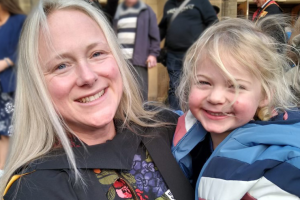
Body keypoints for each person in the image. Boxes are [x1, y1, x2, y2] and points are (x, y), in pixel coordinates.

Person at [0, 0, 194, 199]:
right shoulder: (34, 189)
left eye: (97, 53)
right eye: (61, 66)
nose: (88, 76)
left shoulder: (165, 127)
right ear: (36, 86)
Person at [173, 17, 300, 199]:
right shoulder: (185, 133)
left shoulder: (281, 162)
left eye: (235, 86)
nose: (216, 98)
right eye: (204, 82)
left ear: (265, 95)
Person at [159, 0, 218, 110]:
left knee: (196, 86)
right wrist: (149, 46)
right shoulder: (169, 4)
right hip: (173, 54)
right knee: (174, 88)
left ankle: (194, 117)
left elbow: (213, 23)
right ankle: (176, 118)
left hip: (196, 55)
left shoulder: (201, 2)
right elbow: (162, 28)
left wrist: (208, 47)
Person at [113, 0, 160, 101]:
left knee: (140, 92)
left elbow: (154, 35)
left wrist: (153, 54)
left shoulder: (147, 10)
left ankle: (141, 116)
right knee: (123, 92)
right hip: (120, 61)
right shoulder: (119, 11)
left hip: (139, 60)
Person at [0, 0, 25, 177]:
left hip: (11, 85)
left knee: (10, 130)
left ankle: (9, 172)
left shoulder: (20, 21)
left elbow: (26, 48)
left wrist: (6, 62)